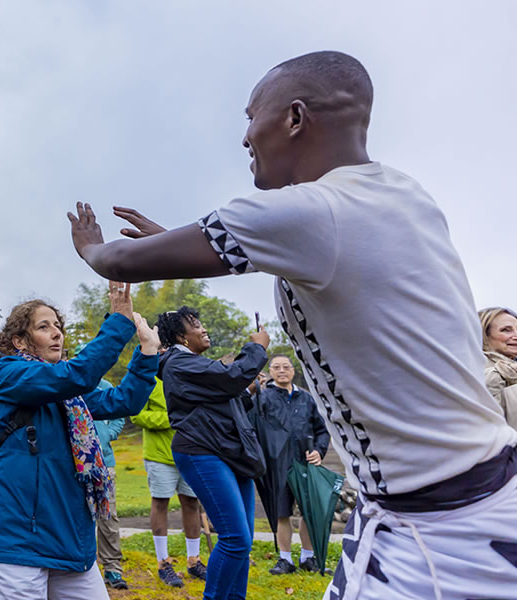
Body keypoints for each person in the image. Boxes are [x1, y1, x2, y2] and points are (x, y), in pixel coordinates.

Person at [68, 50, 517, 599]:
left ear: (295, 119)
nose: (245, 138)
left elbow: (118, 262)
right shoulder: (400, 192)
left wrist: (93, 248)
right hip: (485, 489)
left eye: (250, 116)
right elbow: (316, 265)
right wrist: (171, 237)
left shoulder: (309, 211)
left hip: (437, 526)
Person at [0, 283, 160, 599]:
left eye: (58, 326)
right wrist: (119, 321)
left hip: (69, 541)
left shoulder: (68, 395)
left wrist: (148, 351)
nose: (57, 333)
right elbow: (77, 375)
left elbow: (124, 401)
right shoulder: (8, 374)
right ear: (19, 340)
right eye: (44, 327)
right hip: (13, 543)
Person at [155, 307, 268, 599]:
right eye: (196, 325)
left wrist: (249, 386)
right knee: (235, 539)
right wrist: (255, 348)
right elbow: (231, 377)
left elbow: (229, 393)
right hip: (202, 450)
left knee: (243, 541)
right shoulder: (178, 363)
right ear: (181, 336)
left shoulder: (194, 363)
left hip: (230, 451)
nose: (203, 329)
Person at [255, 355, 330, 574]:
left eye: (285, 367)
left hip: (305, 464)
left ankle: (308, 557)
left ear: (293, 371)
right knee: (282, 512)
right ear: (270, 371)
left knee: (309, 511)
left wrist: (319, 451)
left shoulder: (306, 399)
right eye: (276, 367)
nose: (281, 371)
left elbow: (322, 431)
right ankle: (285, 559)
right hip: (278, 465)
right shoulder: (264, 398)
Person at [131, 374, 207, 587]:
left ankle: (194, 561)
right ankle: (163, 563)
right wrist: (171, 418)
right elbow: (137, 415)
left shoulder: (188, 375)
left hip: (191, 452)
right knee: (161, 503)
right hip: (159, 456)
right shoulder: (148, 380)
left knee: (192, 503)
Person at [92, 381, 129, 590]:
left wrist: (107, 435)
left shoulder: (105, 386)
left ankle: (112, 566)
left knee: (108, 515)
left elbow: (118, 415)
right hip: (72, 462)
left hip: (104, 462)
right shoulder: (69, 382)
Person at [479, 307, 517, 429]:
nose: (516, 335)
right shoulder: (475, 364)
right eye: (506, 330)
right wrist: (507, 371)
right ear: (485, 334)